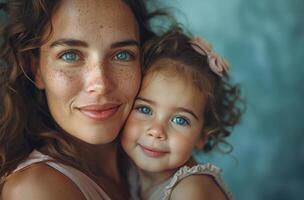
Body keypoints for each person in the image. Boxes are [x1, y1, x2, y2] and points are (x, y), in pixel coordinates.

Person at [0, 0, 162, 199]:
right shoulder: (36, 190)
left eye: (122, 55)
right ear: (36, 70)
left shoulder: (150, 161)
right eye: (70, 56)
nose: (101, 84)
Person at [121, 27, 243, 200]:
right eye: (144, 109)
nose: (156, 131)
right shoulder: (127, 171)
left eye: (180, 120)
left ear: (203, 135)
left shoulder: (190, 191)